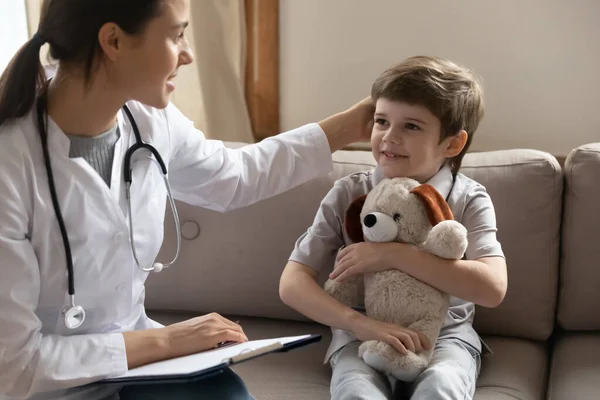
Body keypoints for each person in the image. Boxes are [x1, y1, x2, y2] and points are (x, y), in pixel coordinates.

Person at [0, 1, 375, 399]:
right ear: (113, 41)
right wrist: (168, 341)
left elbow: (234, 177)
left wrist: (355, 122)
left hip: (130, 369)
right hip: (41, 388)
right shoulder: (11, 163)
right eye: (176, 34)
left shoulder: (148, 119)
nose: (188, 53)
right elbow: (14, 366)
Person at [279, 55, 508, 399]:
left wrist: (391, 255)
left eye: (411, 126)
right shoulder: (348, 192)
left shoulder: (468, 198)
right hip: (363, 336)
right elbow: (291, 283)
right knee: (356, 393)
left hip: (444, 336)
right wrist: (360, 324)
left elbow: (492, 288)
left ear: (452, 143)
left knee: (440, 387)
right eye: (381, 121)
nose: (389, 137)